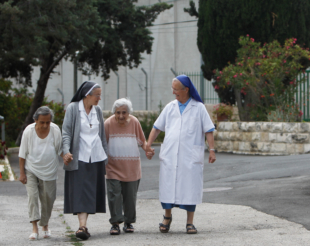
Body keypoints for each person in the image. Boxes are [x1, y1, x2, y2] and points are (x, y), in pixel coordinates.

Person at [146, 75, 216, 234]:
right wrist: (148, 145)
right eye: (172, 89)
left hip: (189, 157)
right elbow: (157, 127)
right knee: (168, 186)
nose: (173, 93)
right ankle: (167, 217)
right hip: (170, 155)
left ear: (186, 90)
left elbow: (208, 130)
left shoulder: (199, 108)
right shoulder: (170, 107)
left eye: (176, 90)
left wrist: (211, 150)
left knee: (190, 187)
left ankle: (190, 222)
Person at [62, 81, 108, 241]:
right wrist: (66, 151)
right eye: (97, 95)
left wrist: (106, 158)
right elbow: (66, 132)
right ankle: (82, 226)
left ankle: (83, 226)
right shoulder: (73, 108)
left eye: (100, 95)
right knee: (80, 192)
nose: (99, 98)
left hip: (95, 158)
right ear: (87, 95)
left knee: (89, 193)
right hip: (79, 157)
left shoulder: (98, 111)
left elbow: (102, 136)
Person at [104, 98, 155, 235]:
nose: (121, 116)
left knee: (130, 197)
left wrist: (148, 150)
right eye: (118, 112)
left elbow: (142, 141)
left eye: (124, 113)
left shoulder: (134, 122)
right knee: (114, 195)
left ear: (129, 113)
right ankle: (115, 223)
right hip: (113, 166)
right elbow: (103, 144)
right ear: (114, 112)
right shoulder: (108, 123)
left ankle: (128, 222)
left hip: (131, 166)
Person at [19, 106, 63, 241]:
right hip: (31, 169)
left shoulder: (55, 129)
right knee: (32, 197)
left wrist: (66, 157)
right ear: (35, 120)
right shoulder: (29, 131)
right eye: (42, 122)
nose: (45, 125)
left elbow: (60, 150)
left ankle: (45, 225)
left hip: (49, 170)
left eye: (48, 122)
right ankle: (34, 228)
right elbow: (22, 153)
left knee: (48, 199)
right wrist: (22, 173)